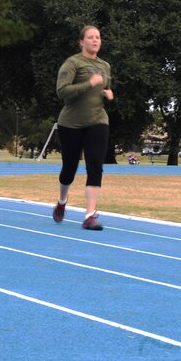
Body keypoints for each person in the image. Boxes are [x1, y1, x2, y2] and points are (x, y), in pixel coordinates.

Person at [52, 25, 114, 230]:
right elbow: (62, 92)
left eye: (98, 37)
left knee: (95, 166)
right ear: (82, 42)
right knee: (69, 167)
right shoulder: (72, 63)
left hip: (98, 121)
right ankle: (62, 201)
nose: (95, 40)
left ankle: (90, 215)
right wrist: (89, 83)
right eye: (91, 37)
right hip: (71, 123)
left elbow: (105, 86)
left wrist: (108, 93)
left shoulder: (105, 65)